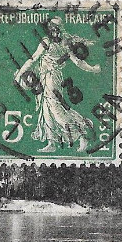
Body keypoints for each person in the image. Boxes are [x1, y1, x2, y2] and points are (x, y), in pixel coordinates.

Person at [14, 16, 100, 154]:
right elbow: (33, 59)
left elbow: (78, 62)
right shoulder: (46, 42)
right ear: (49, 29)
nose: (54, 31)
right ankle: (52, 142)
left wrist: (92, 69)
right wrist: (20, 74)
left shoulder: (65, 44)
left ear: (60, 29)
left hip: (53, 78)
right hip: (42, 78)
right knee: (46, 110)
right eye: (52, 29)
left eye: (57, 29)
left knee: (56, 110)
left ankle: (82, 133)